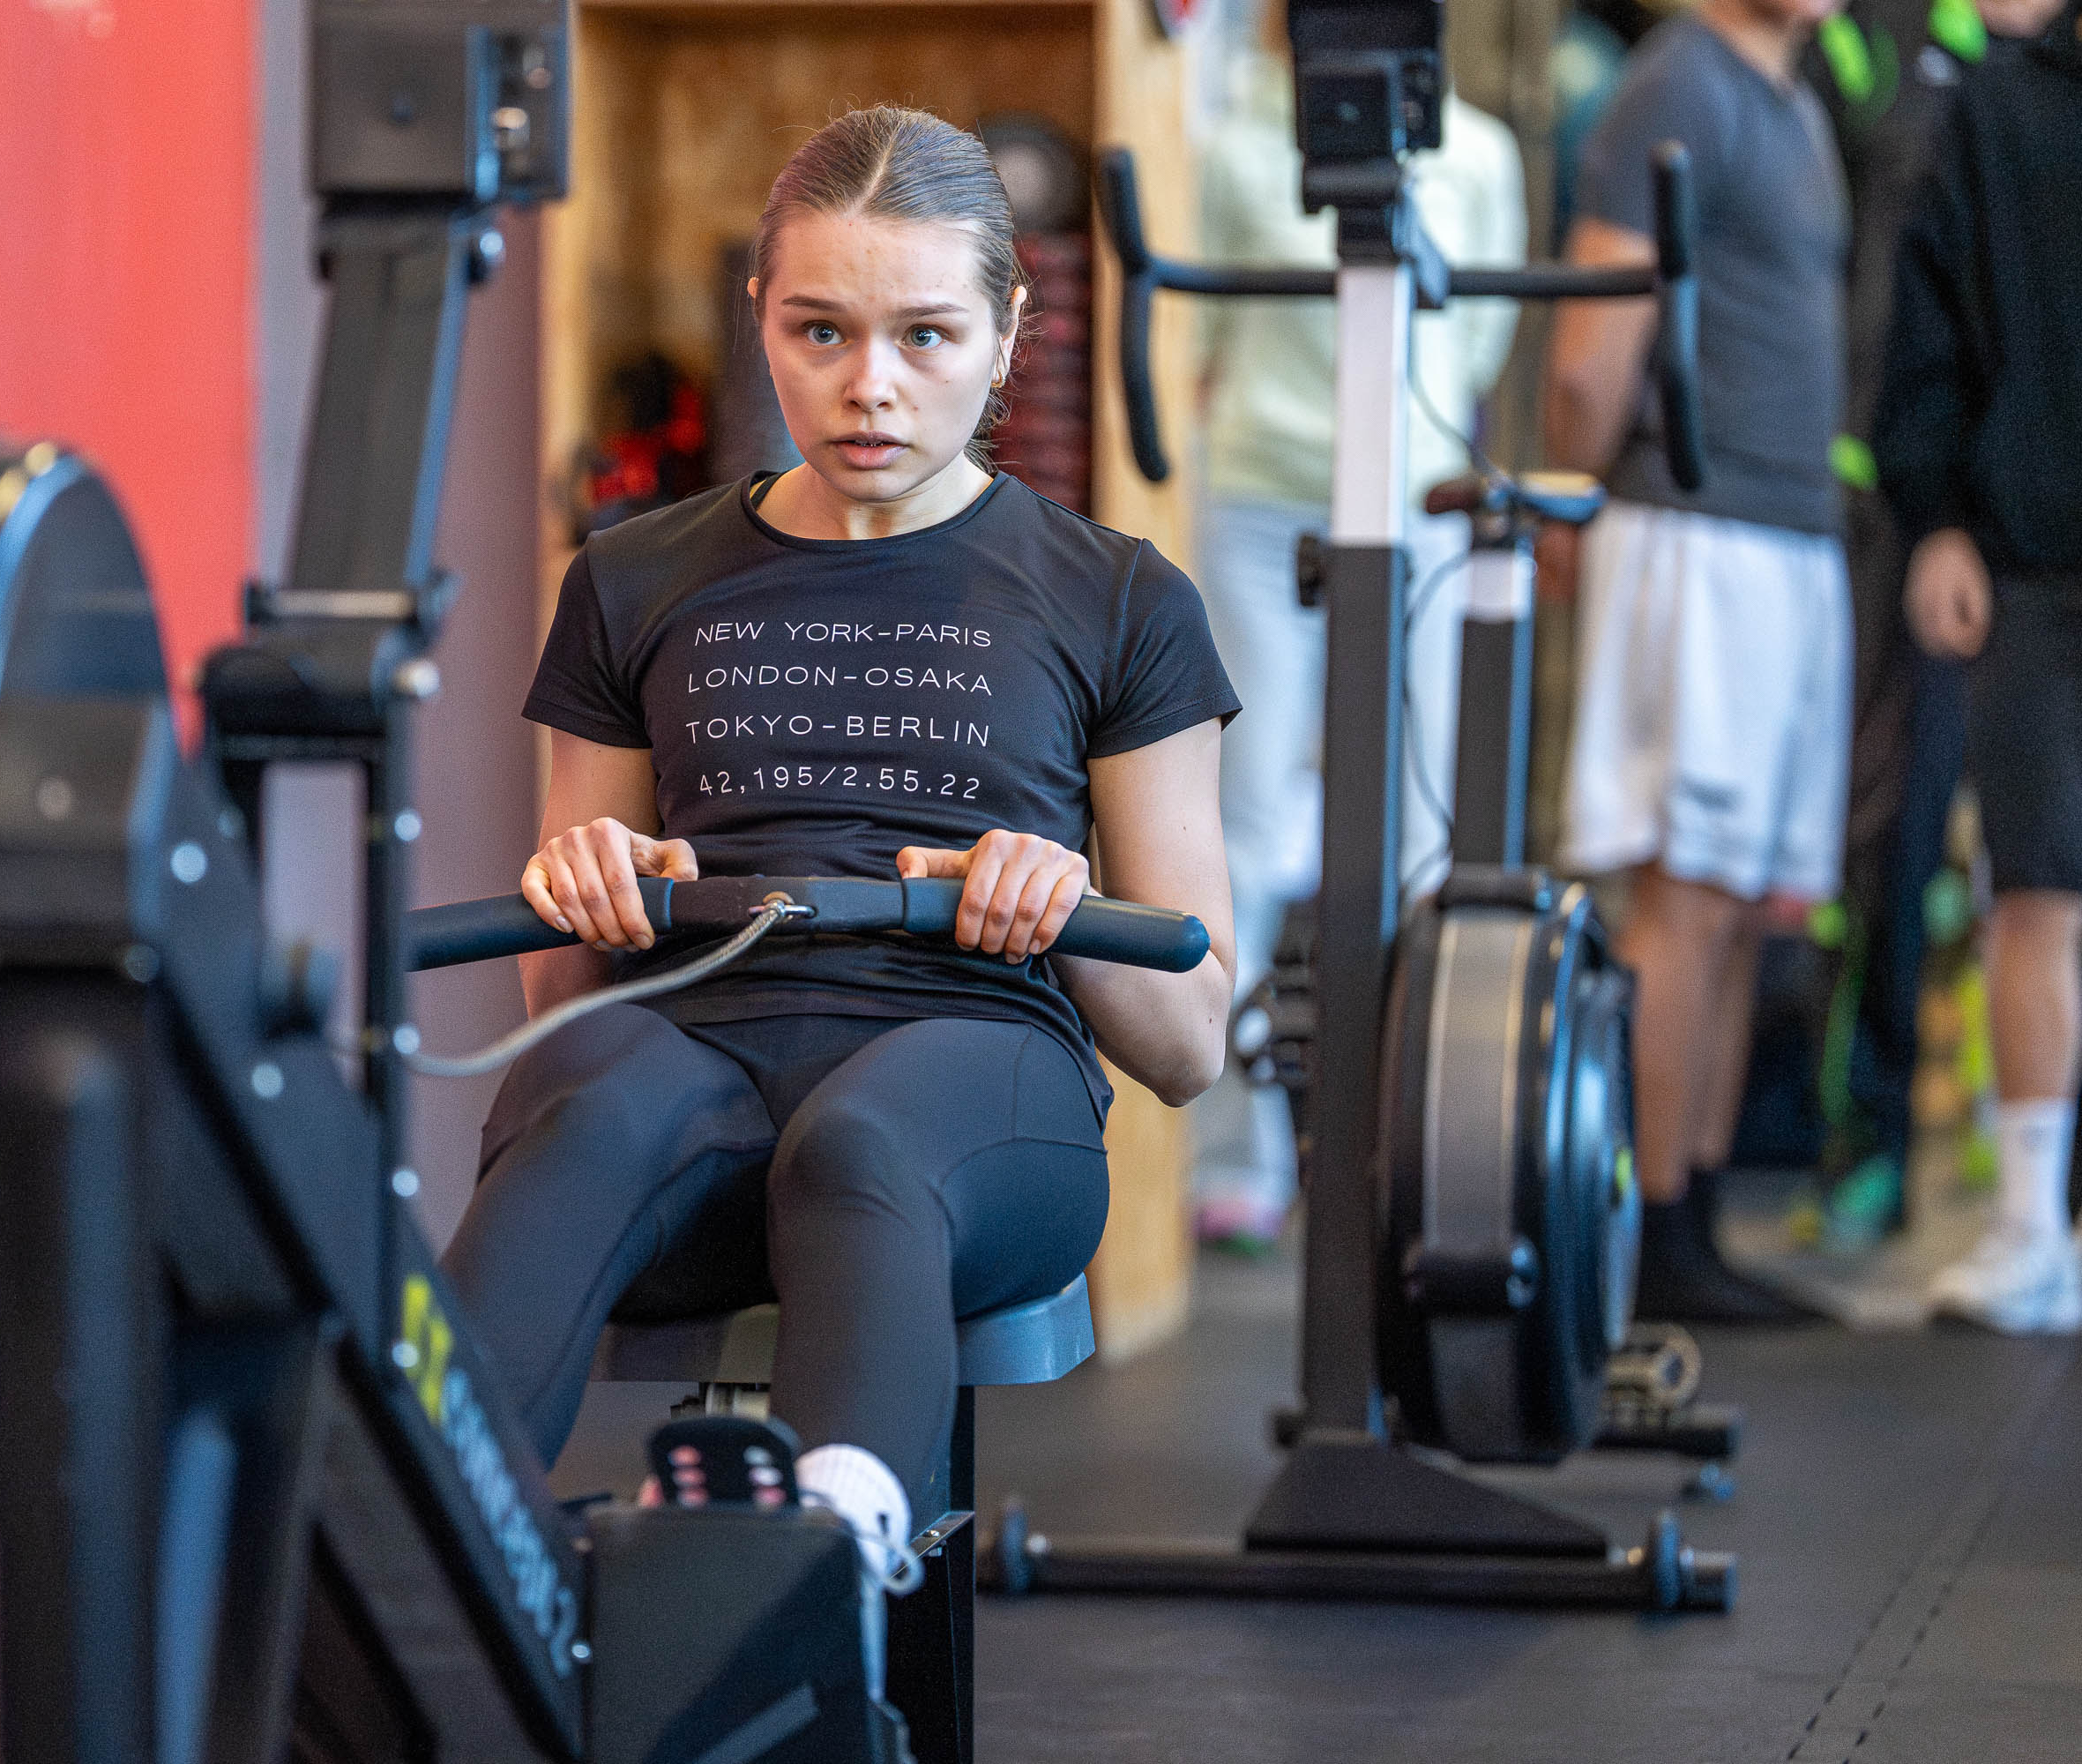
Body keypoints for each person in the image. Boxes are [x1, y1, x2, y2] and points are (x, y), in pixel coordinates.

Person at [438, 107, 1238, 1679]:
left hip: (973, 1079)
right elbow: (563, 995)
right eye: (823, 331)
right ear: (763, 321)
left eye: (925, 336)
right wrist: (588, 886)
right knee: (585, 1096)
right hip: (696, 1056)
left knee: (865, 1140)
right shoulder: (630, 579)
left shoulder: (1120, 600)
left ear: (1006, 336)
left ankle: (812, 1577)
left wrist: (1060, 906)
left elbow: (1191, 1042)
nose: (870, 384)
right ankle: (417, 1539)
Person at [1183, 0, 1526, 1250]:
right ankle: (1237, 1149)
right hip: (1263, 506)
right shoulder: (1234, 148)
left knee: (1419, 827)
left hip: (1414, 507)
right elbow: (1201, 342)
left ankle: (1412, 1134)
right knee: (1247, 820)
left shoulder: (1478, 156)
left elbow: (1474, 343)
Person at [1543, 0, 1849, 1322]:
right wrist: (1572, 494)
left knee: (1736, 904)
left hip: (1789, 534)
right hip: (1694, 527)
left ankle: (1697, 1225)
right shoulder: (1678, 83)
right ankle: (1646, 1234)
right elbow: (1589, 353)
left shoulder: (1792, 99)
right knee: (1682, 891)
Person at [1804, 0, 2063, 1247]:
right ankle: (1871, 1142)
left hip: (2024, 530)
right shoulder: (1874, 46)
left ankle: (2044, 1184)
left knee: (2044, 874)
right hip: (1925, 525)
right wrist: (1932, 505)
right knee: (1895, 837)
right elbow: (1902, 299)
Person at [1875, 0, 2082, 1333]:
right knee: (2036, 893)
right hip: (2032, 559)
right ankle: (2029, 1229)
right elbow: (1930, 330)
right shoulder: (1999, 106)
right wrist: (1939, 517)